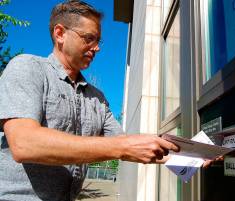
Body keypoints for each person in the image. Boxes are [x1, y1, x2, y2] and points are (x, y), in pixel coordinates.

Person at [0, 1, 178, 201]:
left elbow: (127, 143)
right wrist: (123, 147)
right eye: (89, 38)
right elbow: (24, 143)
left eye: (98, 41)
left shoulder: (98, 99)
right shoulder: (27, 68)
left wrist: (189, 158)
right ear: (60, 33)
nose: (97, 48)